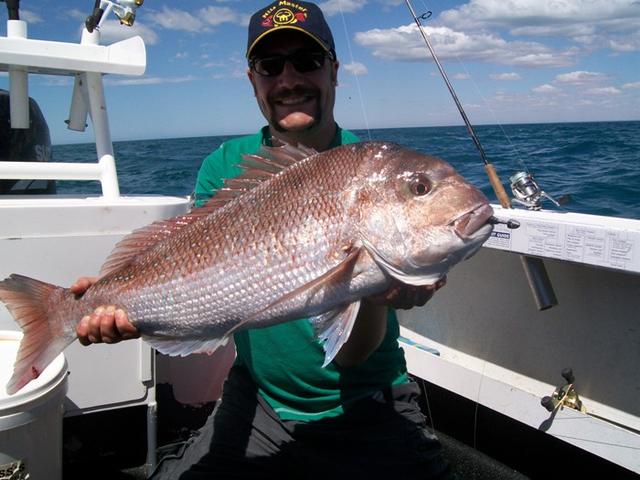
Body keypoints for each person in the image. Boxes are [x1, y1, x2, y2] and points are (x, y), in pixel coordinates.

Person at [71, 2, 453, 478]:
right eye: (271, 66)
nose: (289, 79)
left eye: (307, 61)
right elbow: (189, 270)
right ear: (253, 80)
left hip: (368, 405)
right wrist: (119, 302)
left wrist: (379, 291)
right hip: (257, 403)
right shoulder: (225, 166)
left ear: (334, 71)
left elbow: (353, 357)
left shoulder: (371, 165)